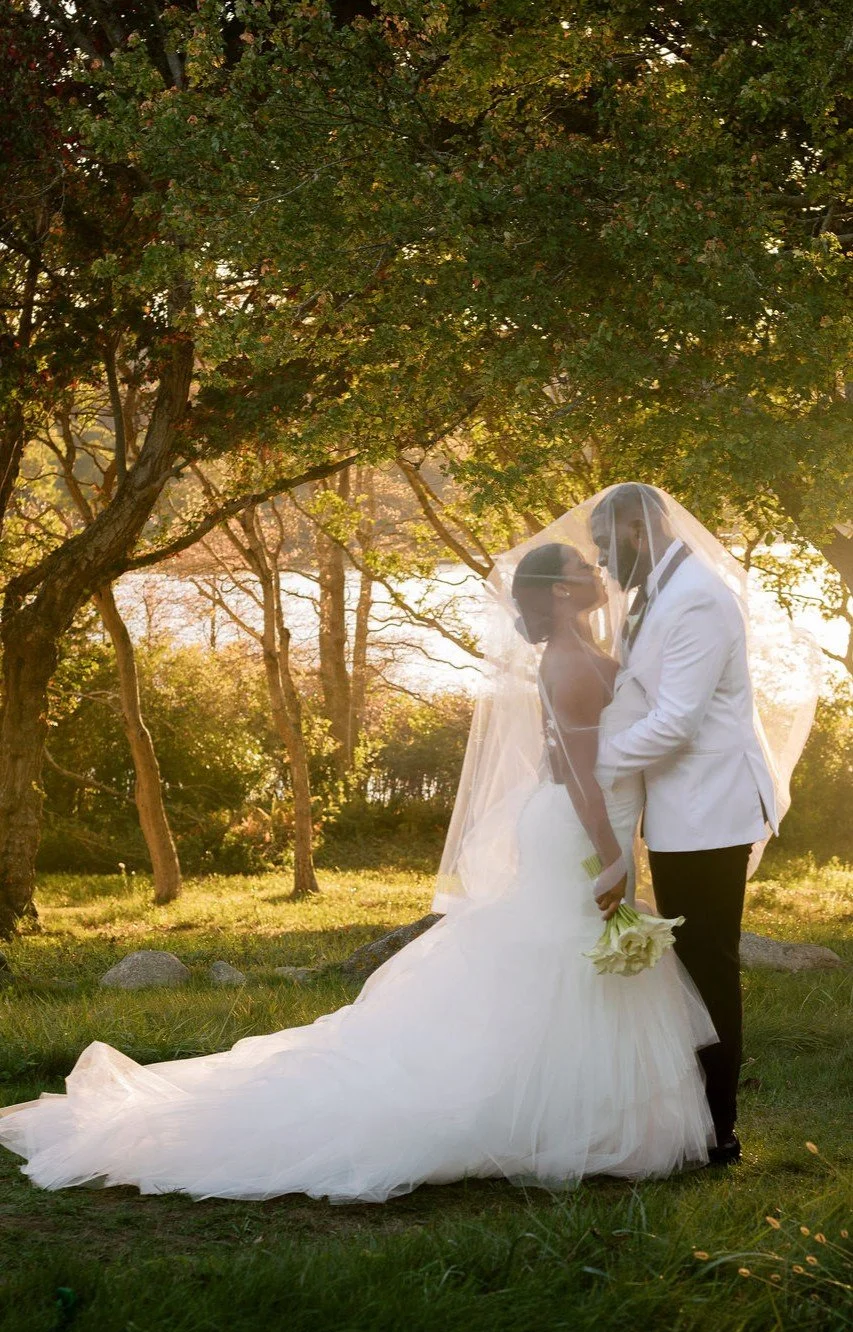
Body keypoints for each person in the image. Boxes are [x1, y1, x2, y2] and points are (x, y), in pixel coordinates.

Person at [0, 539, 715, 1202]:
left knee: (569, 958)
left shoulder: (581, 653)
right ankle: (544, 1113)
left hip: (577, 816)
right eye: (584, 571)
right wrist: (611, 853)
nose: (598, 576)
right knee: (568, 953)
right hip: (578, 823)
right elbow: (580, 771)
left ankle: (570, 1109)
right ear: (559, 593)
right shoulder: (570, 662)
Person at [590, 484, 780, 1165]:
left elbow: (676, 721)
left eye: (606, 548)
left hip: (707, 812)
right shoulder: (654, 595)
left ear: (637, 533)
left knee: (707, 966)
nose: (603, 566)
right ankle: (692, 1118)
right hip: (678, 810)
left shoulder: (695, 597)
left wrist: (593, 762)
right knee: (690, 966)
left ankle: (719, 1130)